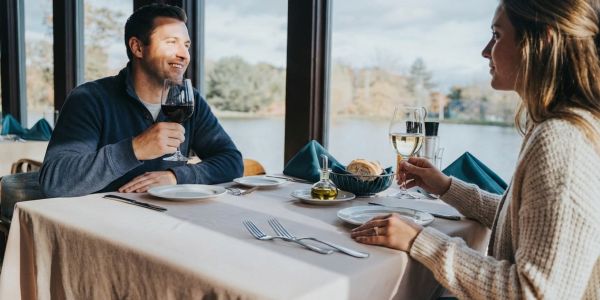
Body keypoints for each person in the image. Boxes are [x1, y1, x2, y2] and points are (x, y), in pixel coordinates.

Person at [351, 0, 600, 298]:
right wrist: (446, 186)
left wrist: (419, 239)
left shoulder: (562, 141)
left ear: (541, 42)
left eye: (496, 35)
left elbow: (531, 293)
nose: (485, 51)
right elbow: (527, 222)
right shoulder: (564, 125)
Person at [39, 4, 243, 197]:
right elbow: (55, 183)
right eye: (171, 42)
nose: (184, 54)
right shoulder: (89, 99)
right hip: (104, 223)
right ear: (137, 47)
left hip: (172, 220)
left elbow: (231, 161)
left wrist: (176, 177)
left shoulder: (191, 101)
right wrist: (134, 149)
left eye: (186, 45)